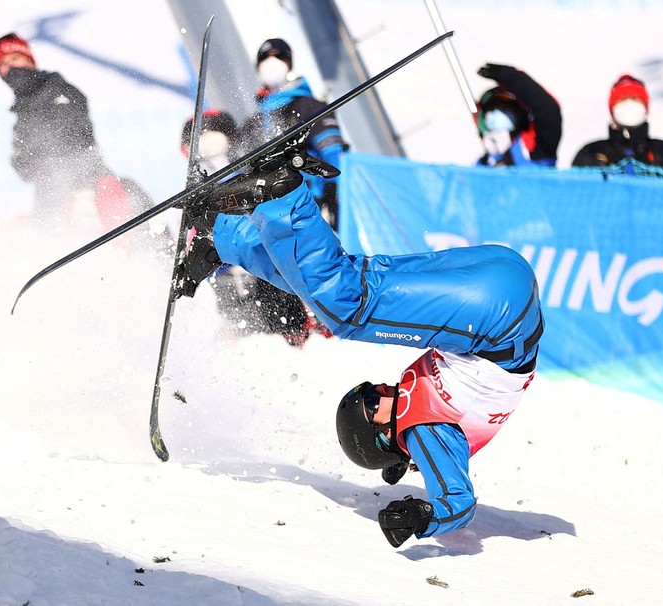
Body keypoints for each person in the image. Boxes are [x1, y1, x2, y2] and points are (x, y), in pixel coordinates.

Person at [175, 146, 543, 548]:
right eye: (371, 401)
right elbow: (459, 502)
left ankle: (221, 238)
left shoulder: (421, 420)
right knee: (348, 309)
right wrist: (423, 517)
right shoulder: (424, 431)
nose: (380, 389)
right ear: (384, 435)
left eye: (370, 392)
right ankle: (283, 192)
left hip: (504, 286)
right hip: (497, 314)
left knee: (337, 289)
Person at [178, 110, 328, 346]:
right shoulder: (195, 191)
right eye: (201, 145)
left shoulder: (250, 178)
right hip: (226, 279)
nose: (210, 150)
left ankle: (300, 335)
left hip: (265, 273)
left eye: (215, 141)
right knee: (241, 334)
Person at [0, 33, 147, 229]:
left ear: (29, 59)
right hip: (51, 197)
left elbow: (75, 141)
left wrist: (80, 190)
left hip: (87, 190)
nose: (11, 68)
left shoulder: (58, 90)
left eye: (15, 58)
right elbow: (25, 169)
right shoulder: (23, 113)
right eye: (2, 64)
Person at [239, 38, 349, 229]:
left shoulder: (308, 106)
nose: (272, 63)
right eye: (265, 58)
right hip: (268, 215)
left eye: (279, 56)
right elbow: (243, 169)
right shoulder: (252, 123)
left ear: (289, 63)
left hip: (308, 206)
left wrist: (332, 197)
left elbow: (334, 153)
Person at [572, 74, 663, 172]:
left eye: (635, 99)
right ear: (613, 109)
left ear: (645, 108)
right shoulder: (591, 153)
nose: (629, 105)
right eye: (622, 100)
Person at [475, 63, 562, 167]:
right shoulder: (484, 162)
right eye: (491, 108)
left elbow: (548, 111)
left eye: (506, 108)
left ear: (519, 114)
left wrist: (512, 78)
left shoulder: (534, 147)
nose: (497, 113)